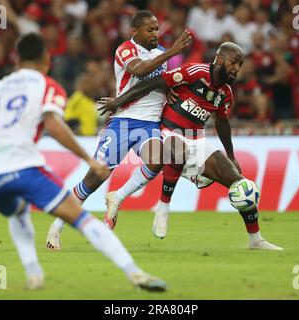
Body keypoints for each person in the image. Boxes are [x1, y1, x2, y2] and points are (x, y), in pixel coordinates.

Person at [0, 33, 166, 292]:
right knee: (83, 220)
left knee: (17, 212)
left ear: (18, 60)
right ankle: (136, 274)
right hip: (23, 169)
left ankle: (34, 274)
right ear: (46, 59)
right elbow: (53, 124)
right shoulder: (48, 87)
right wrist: (87, 159)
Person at [99, 42, 283, 250]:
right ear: (220, 59)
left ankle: (255, 239)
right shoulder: (195, 71)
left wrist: (231, 156)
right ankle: (163, 208)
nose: (236, 69)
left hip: (198, 140)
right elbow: (155, 82)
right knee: (178, 149)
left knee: (242, 185)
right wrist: (119, 101)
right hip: (168, 132)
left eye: (240, 65)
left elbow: (222, 122)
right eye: (234, 62)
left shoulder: (225, 93)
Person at [46, 10, 192, 249]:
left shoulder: (161, 54)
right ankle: (56, 228)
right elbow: (139, 71)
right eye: (150, 29)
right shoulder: (126, 50)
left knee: (157, 160)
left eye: (157, 29)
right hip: (123, 122)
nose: (156, 33)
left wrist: (168, 89)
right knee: (94, 179)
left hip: (150, 124)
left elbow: (160, 81)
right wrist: (175, 51)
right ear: (134, 31)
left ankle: (117, 197)